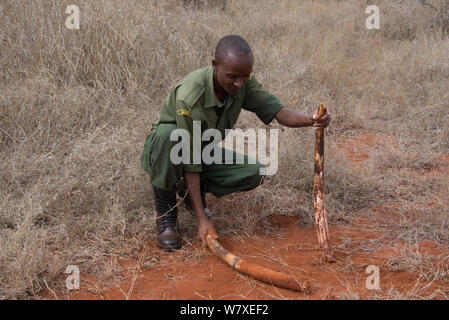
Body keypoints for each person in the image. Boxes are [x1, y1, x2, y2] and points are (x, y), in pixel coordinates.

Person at [140, 35, 331, 251]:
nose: (239, 83)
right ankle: (166, 216)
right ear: (215, 66)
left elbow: (279, 112)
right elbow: (189, 157)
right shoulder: (191, 94)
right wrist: (202, 218)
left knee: (255, 171)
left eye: (245, 76)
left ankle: (187, 190)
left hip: (202, 151)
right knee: (168, 135)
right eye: (232, 76)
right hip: (169, 151)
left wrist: (312, 120)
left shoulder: (243, 84)